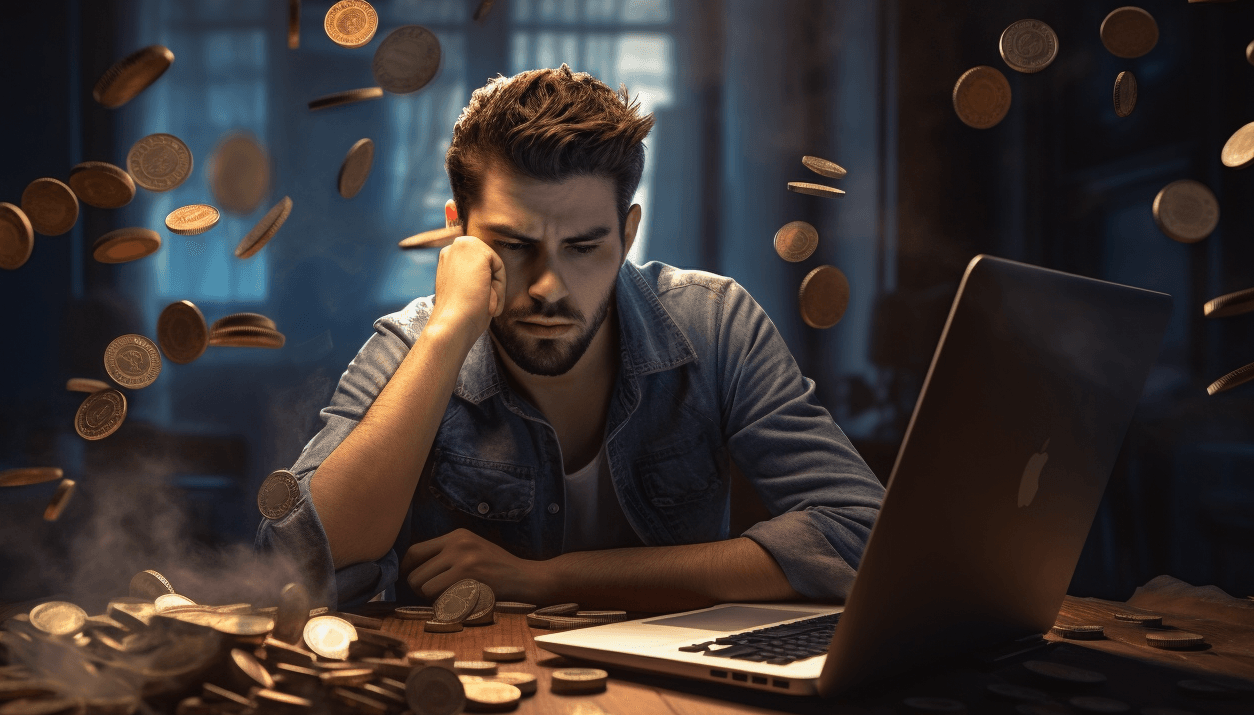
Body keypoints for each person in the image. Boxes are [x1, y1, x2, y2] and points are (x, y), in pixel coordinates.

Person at [258, 65, 885, 611]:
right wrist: (449, 332)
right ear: (458, 234)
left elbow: (861, 533)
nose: (549, 286)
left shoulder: (718, 325)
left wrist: (549, 579)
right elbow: (298, 563)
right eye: (512, 246)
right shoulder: (411, 345)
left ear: (629, 233)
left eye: (584, 247)